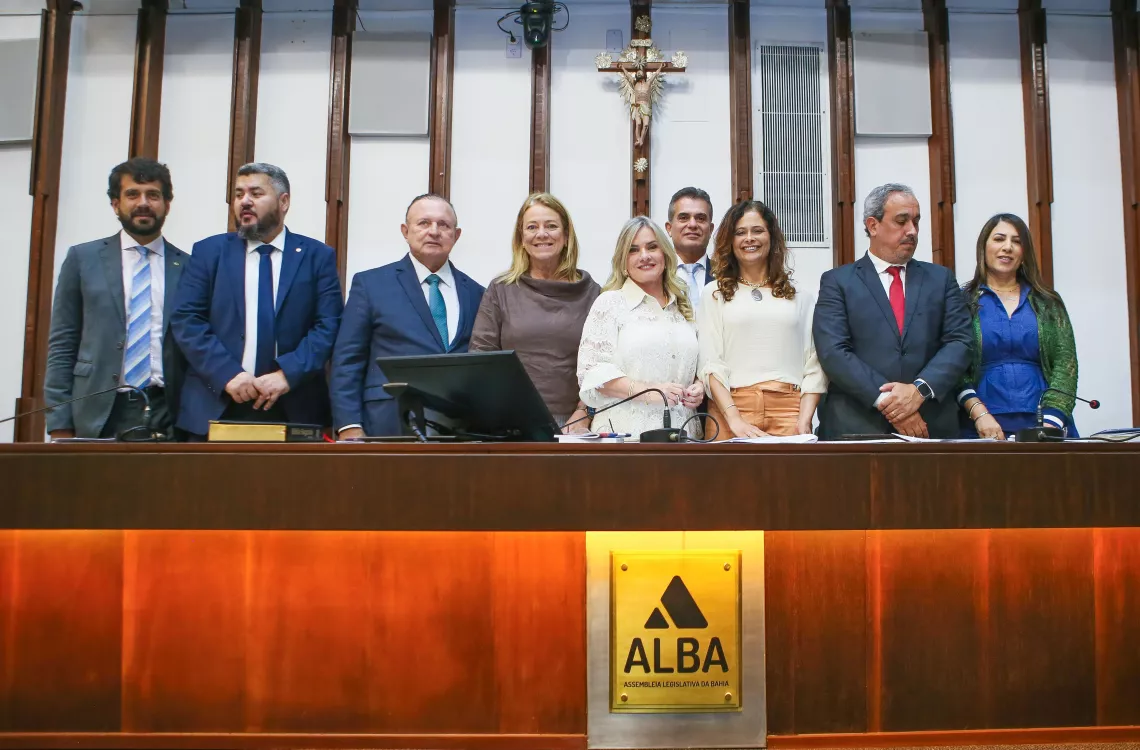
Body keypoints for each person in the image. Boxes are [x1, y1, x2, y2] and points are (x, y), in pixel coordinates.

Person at [171, 162, 343, 439]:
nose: (245, 202)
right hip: (217, 402)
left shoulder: (317, 257)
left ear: (283, 202)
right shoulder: (209, 252)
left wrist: (286, 375)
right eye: (239, 194)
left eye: (256, 193)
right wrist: (228, 374)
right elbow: (187, 320)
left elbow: (328, 325)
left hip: (292, 404)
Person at [812, 183, 972, 439]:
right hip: (856, 425)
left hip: (930, 424)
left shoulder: (941, 279)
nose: (912, 230)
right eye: (901, 221)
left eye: (916, 221)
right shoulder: (837, 282)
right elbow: (833, 352)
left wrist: (918, 391)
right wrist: (893, 404)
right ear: (873, 225)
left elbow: (960, 342)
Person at [44, 158, 188, 440]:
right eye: (132, 194)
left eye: (153, 195)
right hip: (98, 410)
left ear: (167, 204)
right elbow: (62, 345)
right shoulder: (83, 260)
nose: (143, 203)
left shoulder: (189, 267)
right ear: (115, 204)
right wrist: (60, 424)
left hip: (168, 412)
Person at [331, 194, 485, 438]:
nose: (434, 231)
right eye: (424, 223)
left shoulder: (477, 293)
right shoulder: (371, 285)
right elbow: (347, 360)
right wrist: (349, 425)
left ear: (456, 235)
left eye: (443, 225)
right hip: (386, 423)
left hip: (460, 430)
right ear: (405, 231)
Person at [469, 193, 600, 430]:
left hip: (575, 423)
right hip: (511, 422)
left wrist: (584, 412)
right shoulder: (501, 289)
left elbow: (602, 365)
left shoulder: (592, 293)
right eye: (532, 227)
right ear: (521, 238)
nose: (542, 234)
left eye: (551, 226)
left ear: (566, 236)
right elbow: (481, 358)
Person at [698, 200, 826, 439]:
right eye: (740, 232)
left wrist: (804, 419)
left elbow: (815, 364)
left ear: (771, 237)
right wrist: (734, 419)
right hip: (730, 408)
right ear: (730, 241)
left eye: (757, 230)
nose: (749, 238)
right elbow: (709, 362)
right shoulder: (713, 293)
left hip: (789, 410)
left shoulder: (801, 297)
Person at [577, 216, 702, 437]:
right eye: (633, 250)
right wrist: (651, 392)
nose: (644, 256)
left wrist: (698, 387)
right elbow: (592, 373)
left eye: (652, 247)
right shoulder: (610, 303)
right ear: (623, 263)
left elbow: (697, 364)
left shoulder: (683, 307)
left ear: (665, 254)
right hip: (627, 435)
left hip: (682, 434)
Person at [956, 213, 1079, 439]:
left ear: (1024, 253)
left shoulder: (1048, 302)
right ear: (983, 248)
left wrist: (1052, 421)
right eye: (999, 239)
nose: (1007, 247)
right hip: (980, 425)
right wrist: (979, 414)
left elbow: (1066, 364)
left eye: (1017, 241)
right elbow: (955, 368)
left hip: (1046, 422)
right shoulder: (962, 302)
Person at [665, 187, 716, 314]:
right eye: (684, 217)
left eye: (700, 218)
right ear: (669, 228)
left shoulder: (727, 274)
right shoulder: (657, 275)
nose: (692, 224)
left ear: (710, 229)